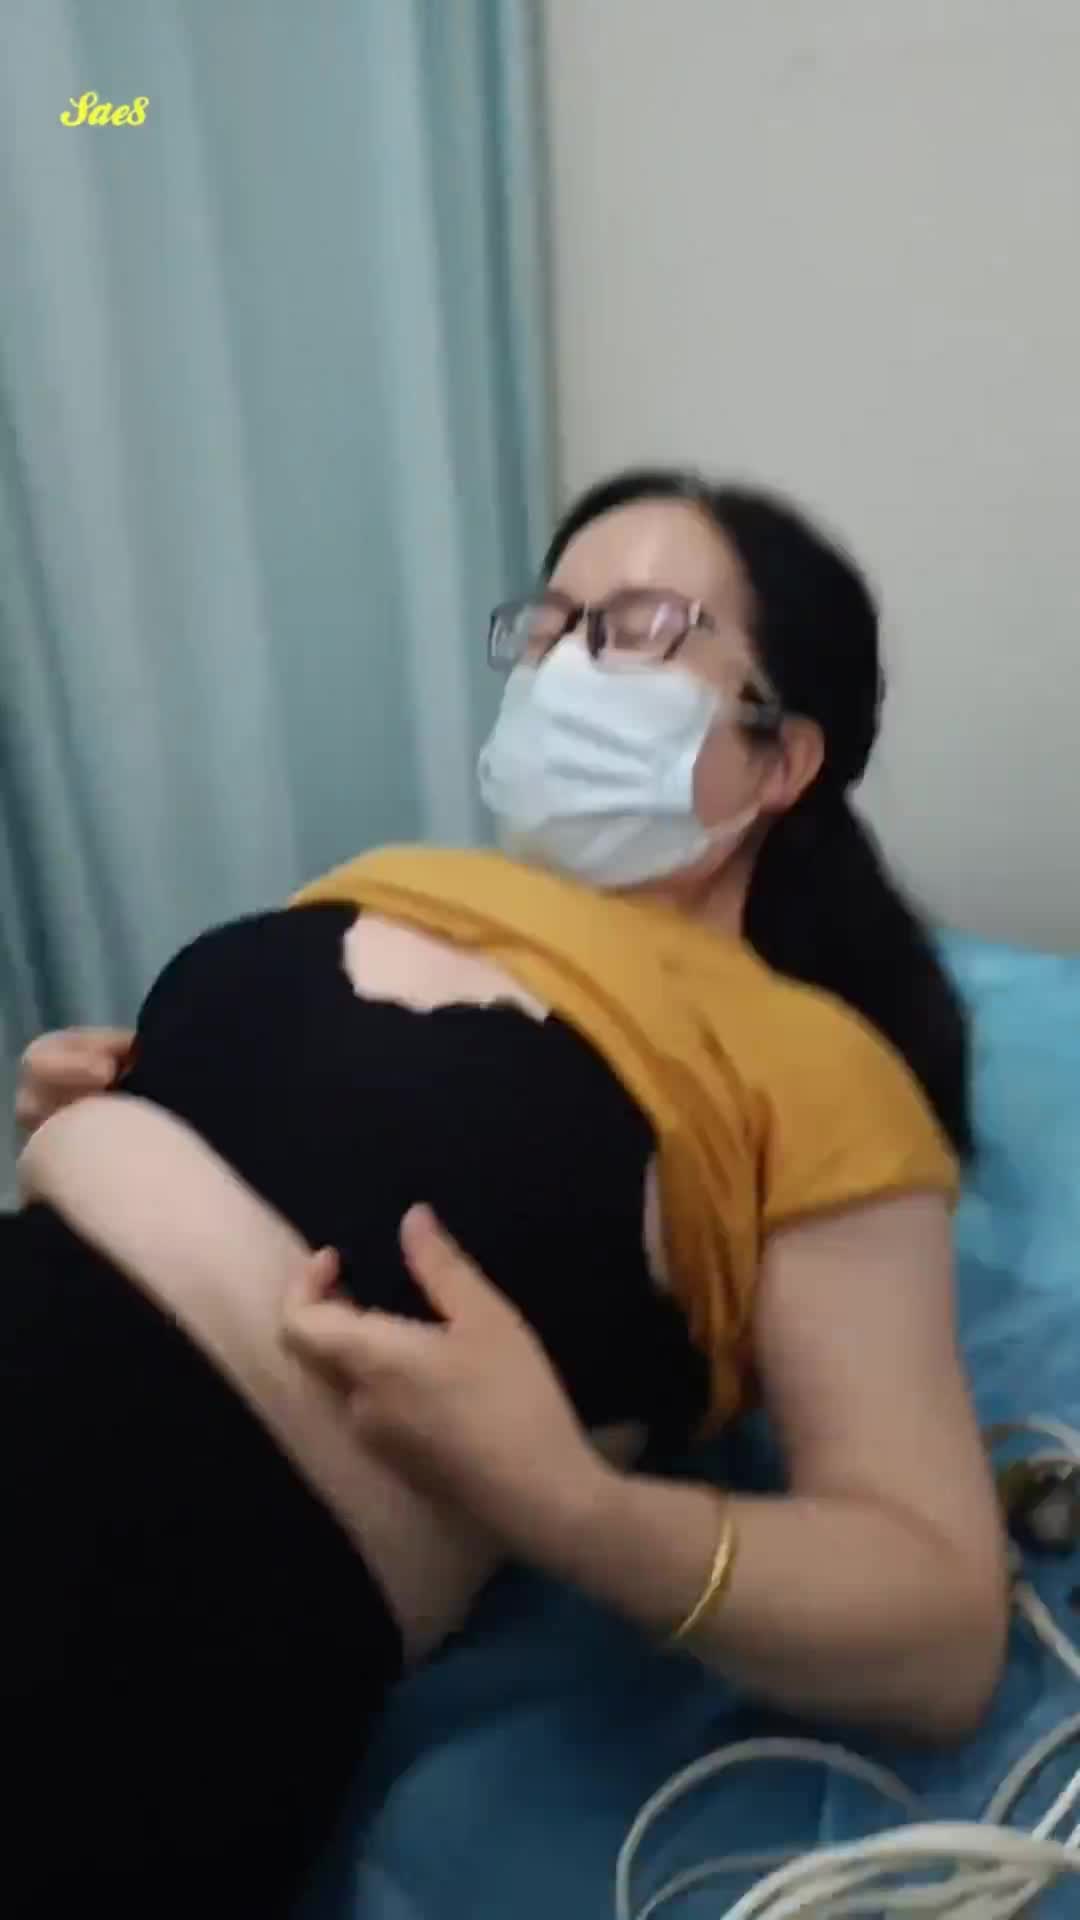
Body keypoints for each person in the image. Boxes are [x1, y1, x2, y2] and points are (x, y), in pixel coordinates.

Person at [10, 472, 1008, 1917]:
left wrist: (571, 1505)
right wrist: (120, 1108)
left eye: (635, 628)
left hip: (143, 1598)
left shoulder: (812, 1063)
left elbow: (946, 1627)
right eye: (545, 628)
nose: (560, 666)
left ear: (783, 756)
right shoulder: (396, 881)